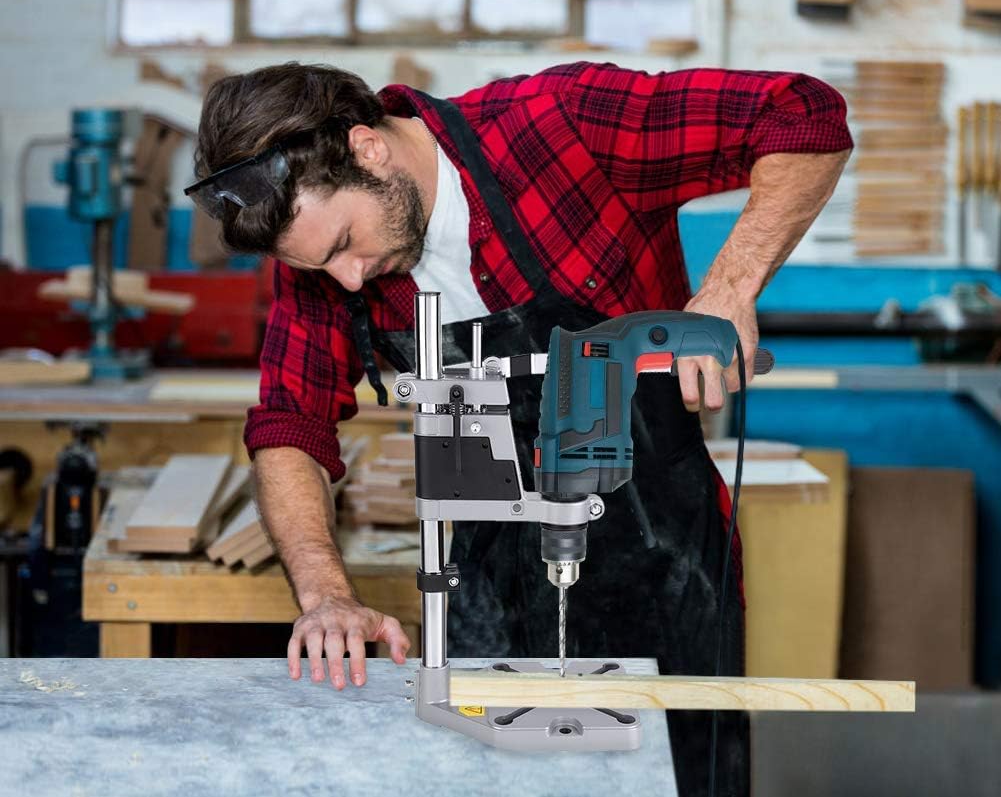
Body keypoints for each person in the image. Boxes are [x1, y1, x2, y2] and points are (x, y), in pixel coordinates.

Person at [188, 60, 852, 797]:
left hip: (661, 560)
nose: (348, 277)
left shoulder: (558, 124)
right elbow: (289, 422)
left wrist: (729, 285)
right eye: (323, 264)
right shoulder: (320, 263)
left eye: (346, 241)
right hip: (483, 591)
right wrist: (325, 595)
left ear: (367, 147)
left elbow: (803, 116)